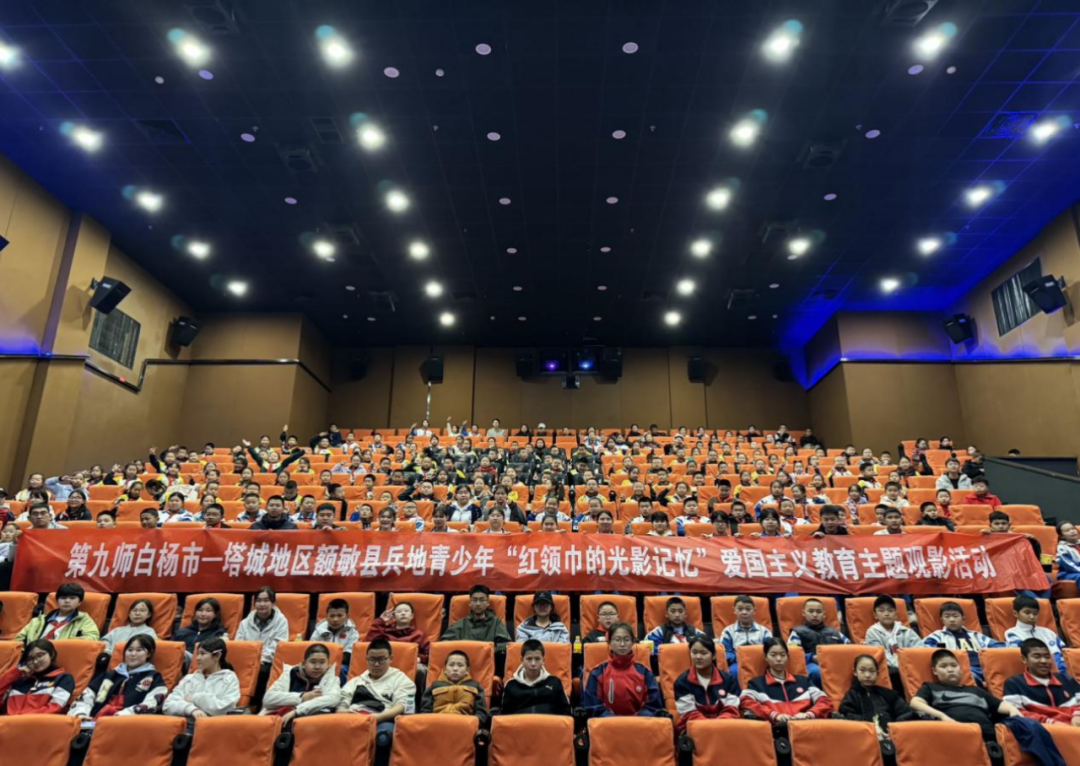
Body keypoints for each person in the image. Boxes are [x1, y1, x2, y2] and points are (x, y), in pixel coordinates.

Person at [908, 649, 1021, 740]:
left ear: (961, 669)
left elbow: (999, 705)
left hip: (988, 734)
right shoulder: (931, 687)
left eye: (954, 665)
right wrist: (942, 717)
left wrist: (1012, 710)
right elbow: (915, 703)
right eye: (943, 666)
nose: (950, 669)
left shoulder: (976, 690)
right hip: (955, 732)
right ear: (935, 671)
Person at [338, 638, 416, 750]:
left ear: (391, 659)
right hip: (353, 718)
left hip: (382, 720)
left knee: (383, 737)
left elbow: (401, 706)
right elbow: (342, 705)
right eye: (372, 659)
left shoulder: (401, 680)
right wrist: (347, 714)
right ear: (366, 659)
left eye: (381, 659)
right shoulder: (356, 681)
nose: (376, 664)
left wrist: (375, 718)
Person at [68, 635, 167, 719]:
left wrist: (122, 715)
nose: (133, 654)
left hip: (126, 724)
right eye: (130, 650)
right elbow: (85, 697)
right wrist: (81, 714)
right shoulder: (109, 675)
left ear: (149, 653)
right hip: (93, 722)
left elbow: (152, 703)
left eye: (139, 650)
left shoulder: (154, 677)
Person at [740, 639, 833, 722]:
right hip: (776, 729)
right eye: (773, 655)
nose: (778, 659)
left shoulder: (804, 681)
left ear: (788, 656)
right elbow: (745, 702)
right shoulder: (756, 684)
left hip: (805, 726)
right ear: (765, 657)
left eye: (782, 655)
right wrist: (774, 715)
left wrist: (809, 714)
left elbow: (825, 701)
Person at [582, 622, 663, 717]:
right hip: (607, 724)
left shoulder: (645, 673)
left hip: (638, 723)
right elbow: (592, 707)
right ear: (609, 642)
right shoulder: (598, 673)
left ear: (633, 642)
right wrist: (615, 721)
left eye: (626, 640)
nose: (622, 644)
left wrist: (633, 720)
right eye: (617, 640)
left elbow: (653, 707)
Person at [1002, 638, 1080, 724]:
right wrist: (1051, 722)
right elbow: (1016, 713)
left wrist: (1077, 715)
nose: (1044, 661)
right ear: (1024, 659)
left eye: (1047, 657)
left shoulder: (1065, 678)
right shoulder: (1014, 683)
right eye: (1037, 656)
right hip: (1045, 729)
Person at [673, 636, 741, 733]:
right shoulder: (682, 682)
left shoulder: (728, 680)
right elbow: (688, 714)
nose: (698, 657)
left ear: (713, 655)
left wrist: (717, 728)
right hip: (695, 730)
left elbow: (731, 710)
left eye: (703, 653)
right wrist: (710, 729)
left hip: (724, 728)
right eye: (694, 652)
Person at [923, 601, 1002, 684]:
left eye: (955, 616)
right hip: (962, 669)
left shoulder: (976, 635)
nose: (951, 620)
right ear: (942, 620)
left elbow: (999, 646)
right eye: (947, 617)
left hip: (985, 667)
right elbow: (926, 649)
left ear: (963, 619)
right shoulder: (938, 636)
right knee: (970, 676)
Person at [260, 643, 341, 723]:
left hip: (310, 722)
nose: (317, 667)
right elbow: (268, 699)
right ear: (303, 664)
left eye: (322, 662)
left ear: (328, 665)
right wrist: (302, 697)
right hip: (280, 719)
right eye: (313, 662)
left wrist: (297, 710)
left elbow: (333, 699)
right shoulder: (290, 673)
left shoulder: (333, 679)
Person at [163, 637, 241, 719]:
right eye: (198, 654)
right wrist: (192, 710)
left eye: (203, 654)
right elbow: (168, 705)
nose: (198, 658)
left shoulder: (229, 679)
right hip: (186, 721)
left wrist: (196, 698)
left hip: (213, 724)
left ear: (217, 656)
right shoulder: (189, 678)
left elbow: (226, 708)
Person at [838, 654, 911, 739]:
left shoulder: (889, 694)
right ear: (855, 672)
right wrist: (871, 727)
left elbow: (906, 713)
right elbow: (847, 717)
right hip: (863, 737)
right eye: (862, 670)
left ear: (877, 673)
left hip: (893, 736)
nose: (867, 675)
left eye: (872, 671)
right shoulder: (852, 695)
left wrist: (895, 730)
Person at [0, 639, 75, 715]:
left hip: (38, 722)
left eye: (39, 656)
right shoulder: (19, 680)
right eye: (30, 659)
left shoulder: (64, 679)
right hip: (8, 721)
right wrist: (15, 673)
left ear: (52, 654)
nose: (35, 662)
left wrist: (22, 719)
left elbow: (55, 707)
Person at [420, 650, 490, 728]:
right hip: (437, 725)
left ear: (467, 670)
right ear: (445, 669)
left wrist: (474, 725)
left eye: (460, 665)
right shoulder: (435, 686)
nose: (455, 669)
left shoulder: (475, 686)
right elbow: (425, 711)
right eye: (451, 665)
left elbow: (481, 712)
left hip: (465, 725)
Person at [788, 598, 850, 687]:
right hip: (810, 664)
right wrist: (812, 658)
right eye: (811, 611)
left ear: (824, 614)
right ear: (803, 613)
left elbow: (849, 648)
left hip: (833, 663)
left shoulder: (834, 632)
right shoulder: (797, 632)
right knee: (817, 672)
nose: (815, 615)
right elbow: (794, 655)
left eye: (819, 612)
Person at [501, 639, 571, 716]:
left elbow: (566, 714)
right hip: (521, 723)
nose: (533, 664)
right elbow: (505, 717)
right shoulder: (511, 685)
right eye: (529, 659)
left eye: (537, 659)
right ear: (522, 661)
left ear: (543, 661)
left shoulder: (555, 683)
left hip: (548, 723)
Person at [863, 596, 920, 689]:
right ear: (875, 615)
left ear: (896, 614)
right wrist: (902, 666)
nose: (886, 614)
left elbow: (919, 650)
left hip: (909, 668)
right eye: (881, 611)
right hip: (888, 669)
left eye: (890, 610)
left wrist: (911, 666)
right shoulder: (872, 632)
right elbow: (881, 654)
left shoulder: (907, 631)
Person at [1004, 596, 1068, 676]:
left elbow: (1065, 653)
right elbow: (1022, 656)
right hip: (1036, 674)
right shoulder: (1011, 633)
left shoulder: (1048, 632)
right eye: (1027, 613)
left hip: (1063, 674)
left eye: (1035, 613)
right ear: (1015, 613)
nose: (1032, 616)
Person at [16, 582, 100, 643]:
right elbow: (19, 639)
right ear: (57, 601)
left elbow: (92, 638)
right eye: (63, 598)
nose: (67, 601)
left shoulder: (83, 619)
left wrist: (64, 643)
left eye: (72, 598)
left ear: (79, 602)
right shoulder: (39, 620)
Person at [441, 585, 511, 654]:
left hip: (490, 659)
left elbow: (505, 646)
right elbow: (444, 644)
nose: (478, 604)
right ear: (470, 603)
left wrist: (488, 652)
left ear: (487, 603)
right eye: (474, 600)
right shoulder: (460, 624)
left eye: (482, 600)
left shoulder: (496, 623)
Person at [365, 602, 431, 673]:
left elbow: (430, 653)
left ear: (412, 616)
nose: (403, 613)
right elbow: (369, 643)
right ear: (393, 617)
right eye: (399, 611)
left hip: (409, 664)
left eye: (406, 611)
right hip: (387, 663)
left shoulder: (418, 634)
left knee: (420, 669)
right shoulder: (385, 632)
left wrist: (420, 659)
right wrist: (381, 621)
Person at [720, 595, 772, 680]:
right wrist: (743, 658)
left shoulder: (765, 632)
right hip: (738, 663)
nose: (744, 612)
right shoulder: (728, 632)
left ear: (754, 611)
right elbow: (725, 654)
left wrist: (755, 659)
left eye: (748, 609)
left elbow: (770, 651)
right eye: (740, 609)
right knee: (733, 671)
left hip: (759, 663)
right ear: (734, 610)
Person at [236, 586, 290, 668]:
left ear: (273, 603)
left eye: (266, 600)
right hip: (246, 662)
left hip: (269, 663)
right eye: (258, 601)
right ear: (254, 603)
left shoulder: (281, 621)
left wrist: (258, 660)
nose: (262, 604)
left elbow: (277, 648)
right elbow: (238, 645)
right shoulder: (245, 623)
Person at [311, 599, 360, 680]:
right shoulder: (318, 631)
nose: (335, 619)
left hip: (342, 664)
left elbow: (348, 656)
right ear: (327, 616)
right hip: (320, 662)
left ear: (347, 617)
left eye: (340, 616)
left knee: (340, 669)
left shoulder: (353, 632)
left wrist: (330, 663)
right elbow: (312, 651)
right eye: (332, 616)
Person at [643, 596, 708, 654]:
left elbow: (707, 645)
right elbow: (648, 648)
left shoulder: (694, 631)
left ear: (685, 614)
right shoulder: (659, 631)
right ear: (666, 614)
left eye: (680, 611)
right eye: (673, 611)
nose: (677, 615)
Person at [174, 597, 229, 663]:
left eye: (208, 611)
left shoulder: (219, 634)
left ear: (215, 614)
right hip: (177, 660)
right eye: (200, 610)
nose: (203, 614)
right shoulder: (181, 632)